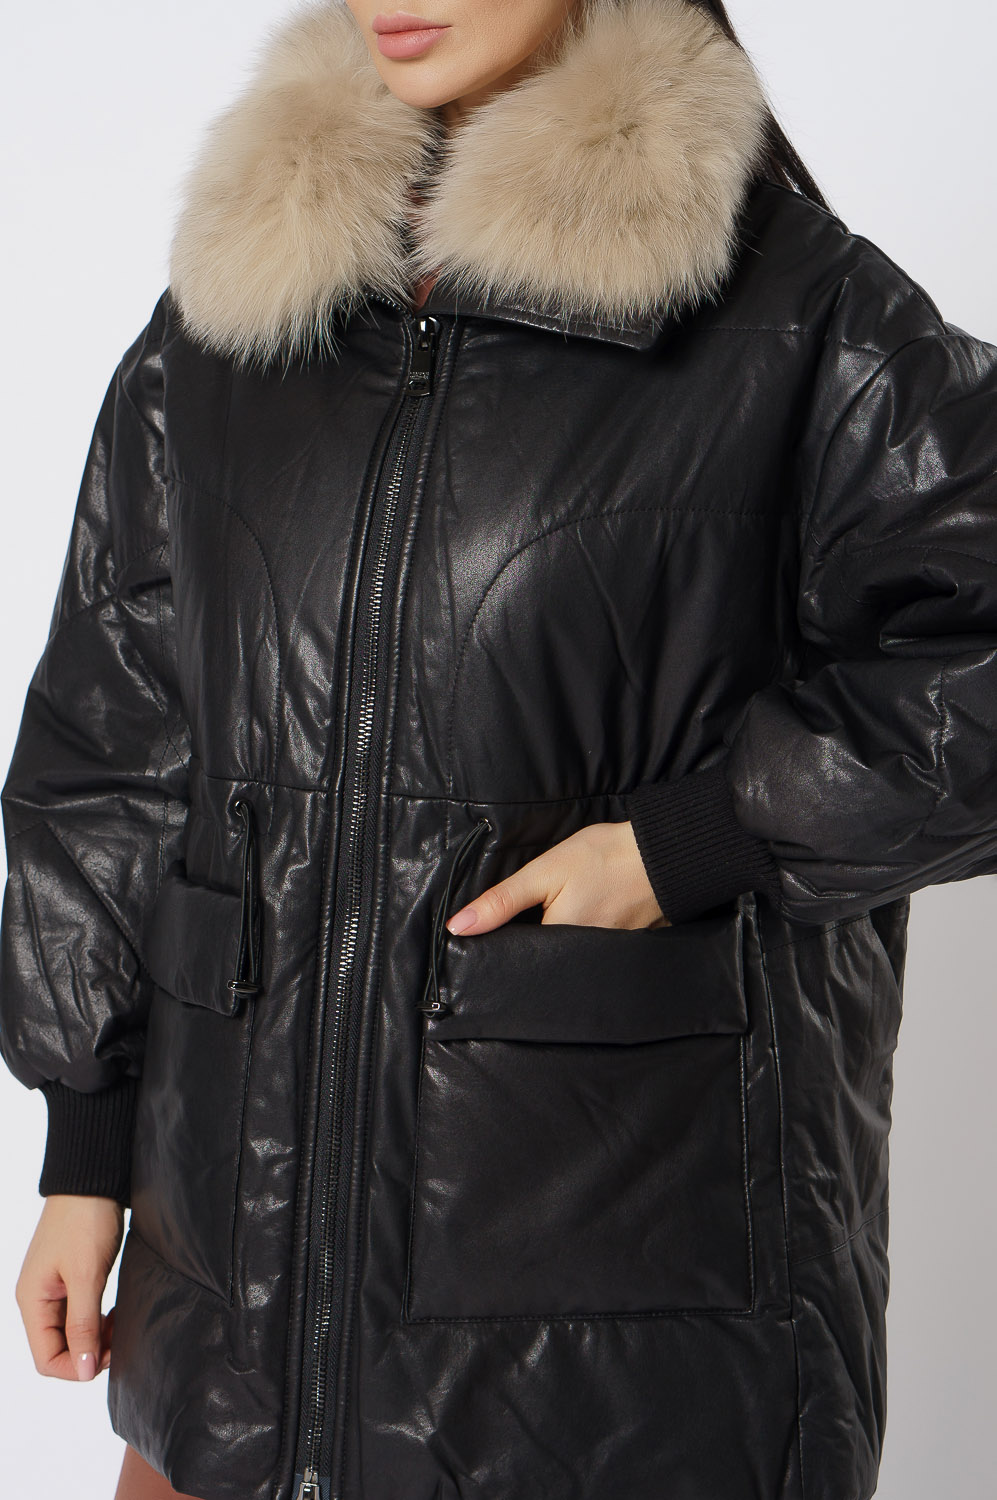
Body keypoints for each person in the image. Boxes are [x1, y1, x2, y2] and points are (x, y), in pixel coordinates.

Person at [3, 1, 996, 1498]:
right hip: (228, 1361)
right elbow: (116, 741)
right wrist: (84, 1154)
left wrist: (700, 838)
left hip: (615, 1383)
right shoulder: (230, 319)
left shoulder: (799, 319)